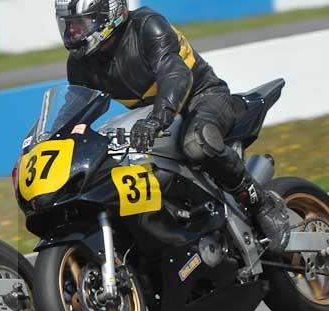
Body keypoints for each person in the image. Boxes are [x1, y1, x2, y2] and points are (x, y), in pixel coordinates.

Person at [56, 0, 290, 253]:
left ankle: (261, 203)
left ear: (107, 16)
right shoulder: (81, 63)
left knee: (197, 145)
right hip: (150, 114)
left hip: (201, 97)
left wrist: (158, 118)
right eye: (68, 26)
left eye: (79, 25)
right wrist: (58, 138)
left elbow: (175, 75)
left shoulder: (147, 26)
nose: (72, 33)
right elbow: (77, 108)